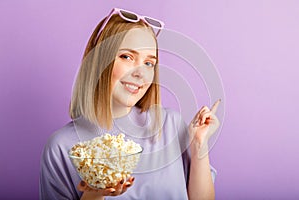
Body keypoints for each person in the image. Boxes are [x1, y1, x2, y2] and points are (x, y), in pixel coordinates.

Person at [39, 7, 220, 200]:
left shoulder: (171, 125)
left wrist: (199, 144)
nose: (140, 73)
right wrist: (94, 193)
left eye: (149, 63)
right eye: (127, 57)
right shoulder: (61, 147)